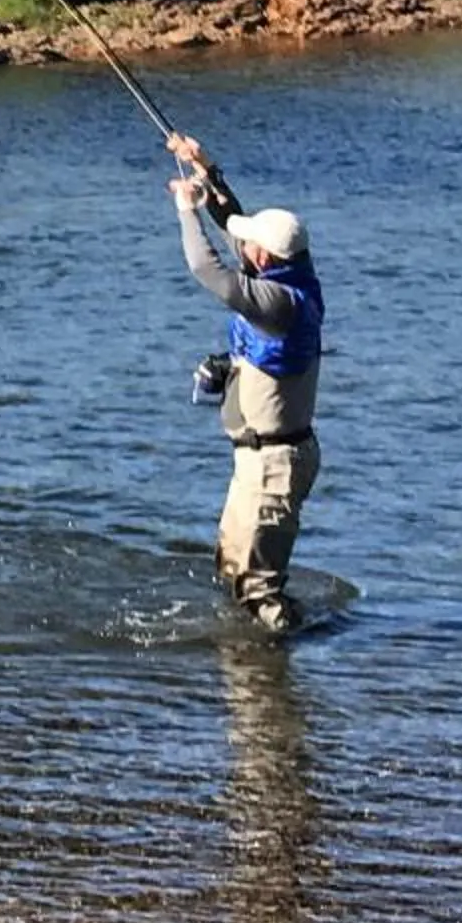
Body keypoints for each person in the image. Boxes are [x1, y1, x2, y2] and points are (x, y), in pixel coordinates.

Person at [167, 131, 323, 636]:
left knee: (261, 594)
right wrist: (204, 166)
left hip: (276, 463)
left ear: (262, 258)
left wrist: (186, 208)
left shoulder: (278, 303)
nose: (242, 245)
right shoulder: (292, 267)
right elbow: (233, 221)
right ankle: (250, 677)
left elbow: (204, 268)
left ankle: (281, 690)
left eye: (249, 245)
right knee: (231, 567)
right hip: (255, 459)